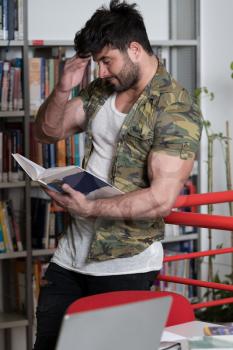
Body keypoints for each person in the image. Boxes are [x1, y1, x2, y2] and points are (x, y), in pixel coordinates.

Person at [33, 1, 202, 349]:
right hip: (70, 256)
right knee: (48, 345)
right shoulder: (101, 91)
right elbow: (47, 133)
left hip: (125, 263)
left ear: (135, 49)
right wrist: (64, 87)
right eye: (97, 62)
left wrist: (89, 209)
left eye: (106, 60)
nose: (101, 71)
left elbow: (161, 199)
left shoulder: (175, 107)